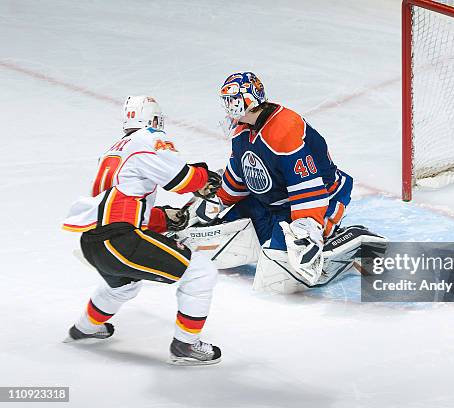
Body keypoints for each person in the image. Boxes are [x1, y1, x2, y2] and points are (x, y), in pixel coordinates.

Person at [62, 95, 222, 365]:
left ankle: (84, 329)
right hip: (119, 241)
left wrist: (163, 218)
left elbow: (117, 205)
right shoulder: (149, 138)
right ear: (155, 119)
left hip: (93, 242)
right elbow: (181, 180)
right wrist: (205, 178)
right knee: (200, 272)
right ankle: (185, 345)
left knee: (122, 287)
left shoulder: (114, 150)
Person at [216, 72, 354, 284]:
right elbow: (239, 172)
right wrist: (218, 199)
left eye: (233, 100)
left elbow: (308, 186)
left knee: (281, 262)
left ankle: (342, 238)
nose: (229, 107)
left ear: (250, 99)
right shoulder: (242, 129)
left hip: (320, 198)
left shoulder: (285, 127)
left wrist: (307, 228)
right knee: (223, 231)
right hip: (271, 200)